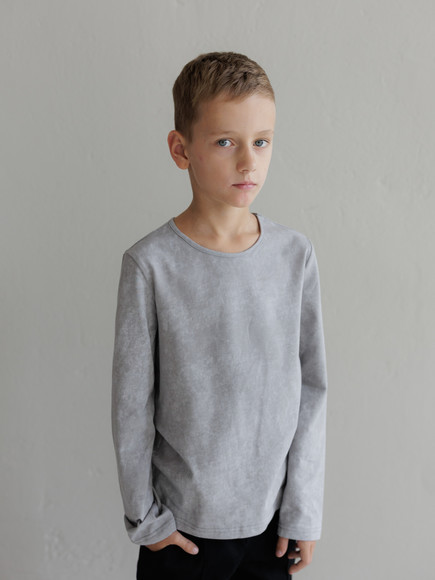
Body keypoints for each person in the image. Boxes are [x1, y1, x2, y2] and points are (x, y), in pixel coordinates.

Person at [111, 51, 328, 580]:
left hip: (272, 532)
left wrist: (303, 509)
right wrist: (145, 519)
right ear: (180, 149)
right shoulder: (150, 265)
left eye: (262, 141)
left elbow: (311, 390)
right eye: (226, 142)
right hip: (181, 536)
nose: (249, 162)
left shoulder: (294, 255)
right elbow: (131, 404)